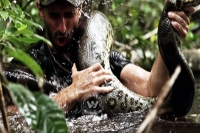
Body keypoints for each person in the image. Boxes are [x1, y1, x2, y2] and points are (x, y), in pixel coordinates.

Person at [7, 0, 196, 117]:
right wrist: (71, 93)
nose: (63, 27)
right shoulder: (29, 62)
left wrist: (169, 31)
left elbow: (151, 89)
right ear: (40, 10)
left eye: (69, 14)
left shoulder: (103, 58)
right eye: (54, 16)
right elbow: (11, 116)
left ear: (80, 9)